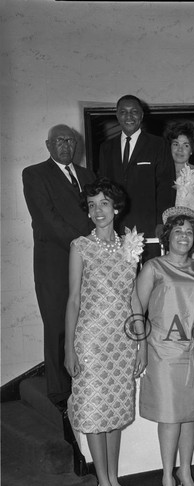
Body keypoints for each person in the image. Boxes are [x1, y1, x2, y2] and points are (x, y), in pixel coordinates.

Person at [64, 178, 147, 486]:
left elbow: (135, 299)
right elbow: (73, 300)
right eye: (92, 205)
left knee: (114, 415)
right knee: (96, 414)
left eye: (103, 203)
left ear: (116, 207)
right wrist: (69, 347)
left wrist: (141, 343)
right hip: (91, 342)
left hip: (122, 342)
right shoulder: (80, 246)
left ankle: (113, 481)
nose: (98, 211)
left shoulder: (131, 245)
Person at [137, 207, 194, 486]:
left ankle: (186, 472)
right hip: (163, 352)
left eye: (189, 232)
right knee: (170, 416)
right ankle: (168, 476)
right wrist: (141, 347)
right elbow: (135, 311)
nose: (183, 236)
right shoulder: (153, 267)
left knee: (190, 415)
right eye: (178, 231)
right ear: (168, 236)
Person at [22, 124, 96, 408]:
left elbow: (97, 212)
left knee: (84, 320)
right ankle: (59, 392)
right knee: (57, 323)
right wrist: (85, 245)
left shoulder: (88, 175)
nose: (65, 145)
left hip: (87, 258)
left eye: (70, 140)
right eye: (59, 141)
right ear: (48, 144)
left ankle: (83, 380)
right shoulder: (34, 174)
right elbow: (46, 218)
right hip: (54, 259)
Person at [98, 94, 175, 258]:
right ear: (117, 115)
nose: (129, 116)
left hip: (148, 226)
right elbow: (103, 188)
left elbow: (166, 187)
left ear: (141, 115)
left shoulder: (158, 145)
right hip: (115, 226)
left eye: (134, 112)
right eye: (123, 112)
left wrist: (162, 222)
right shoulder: (106, 148)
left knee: (149, 277)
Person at [167, 122, 194, 229]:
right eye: (176, 144)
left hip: (191, 234)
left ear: (192, 150)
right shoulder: (160, 172)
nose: (180, 149)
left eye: (186, 145)